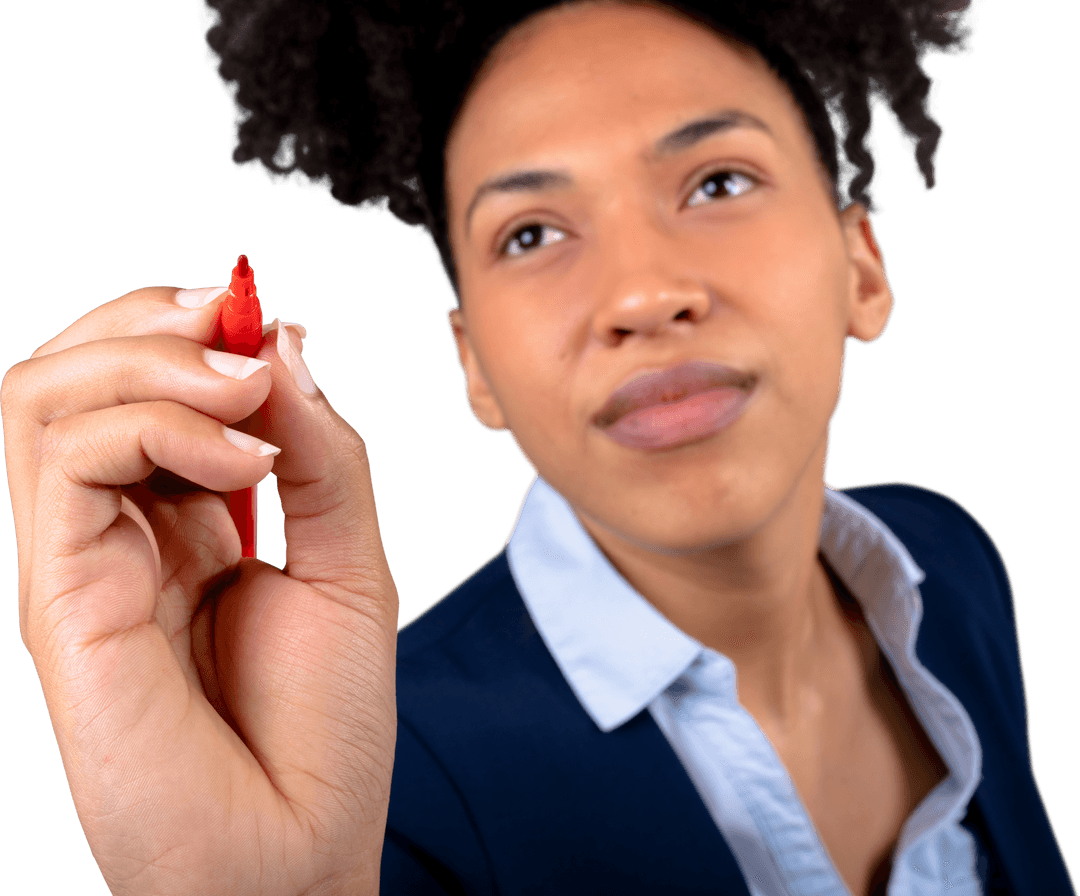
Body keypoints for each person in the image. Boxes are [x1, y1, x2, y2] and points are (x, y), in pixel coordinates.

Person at [1, 1, 1074, 895]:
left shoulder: (950, 558)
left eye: (716, 182)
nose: (643, 295)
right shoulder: (383, 777)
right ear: (475, 366)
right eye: (531, 234)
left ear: (862, 267)